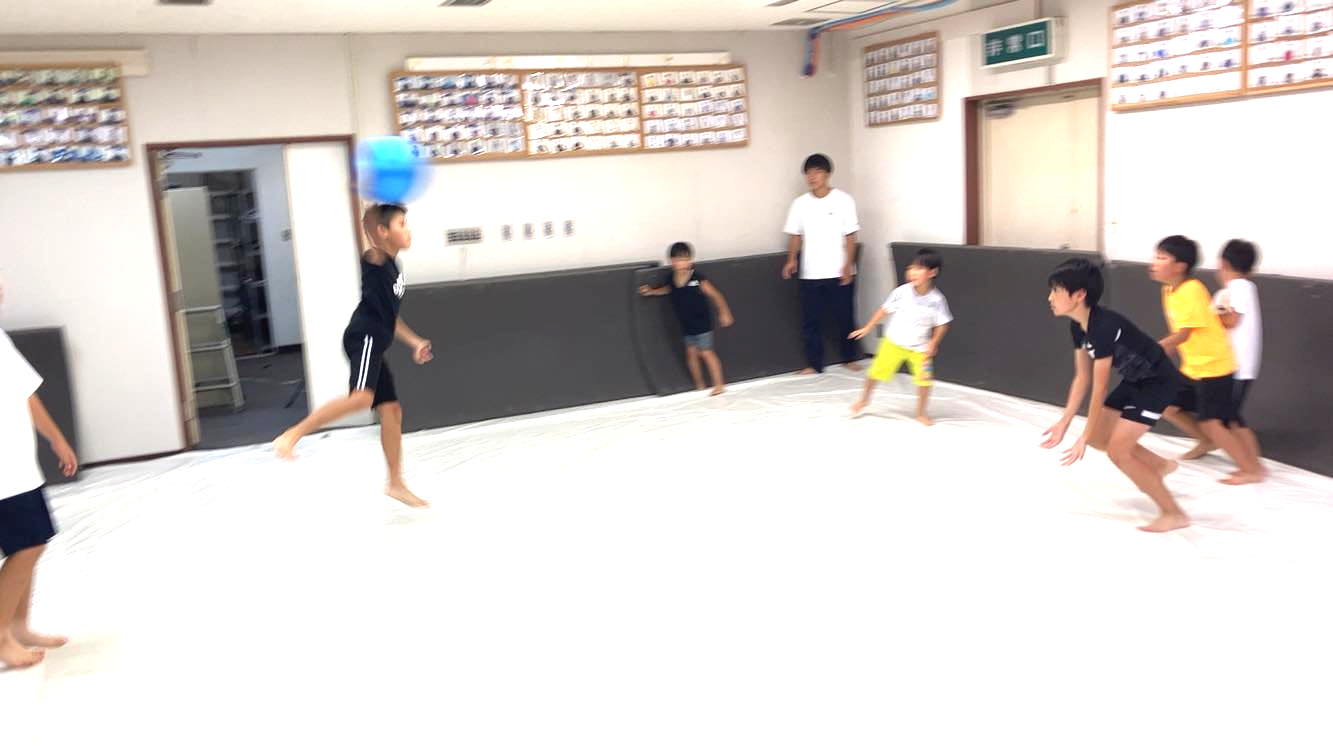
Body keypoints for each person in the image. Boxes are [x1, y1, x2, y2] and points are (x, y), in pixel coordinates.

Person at [273, 204, 435, 507]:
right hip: (364, 338)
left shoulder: (394, 268)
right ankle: (293, 434)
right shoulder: (375, 258)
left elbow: (391, 317)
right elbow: (369, 234)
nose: (408, 230)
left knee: (392, 411)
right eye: (401, 224)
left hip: (378, 341)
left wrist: (414, 342)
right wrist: (367, 210)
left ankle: (396, 484)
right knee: (361, 398)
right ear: (382, 232)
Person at [1041, 258, 1190, 533]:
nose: (1050, 298)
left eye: (1056, 291)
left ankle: (1174, 513)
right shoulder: (1077, 326)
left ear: (1079, 295)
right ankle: (1158, 466)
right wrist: (1064, 422)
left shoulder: (1104, 326)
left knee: (1118, 452)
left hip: (1158, 382)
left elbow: (1099, 389)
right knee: (1100, 437)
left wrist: (1082, 437)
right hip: (1136, 380)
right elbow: (1082, 378)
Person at [0, 278, 78, 668]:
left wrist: (56, 439)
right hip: (3, 473)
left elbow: (24, 393)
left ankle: (18, 626)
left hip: (18, 466)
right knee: (27, 546)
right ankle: (1, 636)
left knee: (31, 544)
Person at [1150, 235, 1263, 485]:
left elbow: (1189, 331)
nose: (1154, 263)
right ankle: (1209, 442)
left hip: (1216, 365)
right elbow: (1186, 331)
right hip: (1195, 366)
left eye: (1161, 257)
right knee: (1169, 404)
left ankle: (1251, 468)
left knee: (1220, 421)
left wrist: (1156, 349)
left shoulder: (1209, 290)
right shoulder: (1169, 290)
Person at [1178, 239, 1263, 466]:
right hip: (1228, 365)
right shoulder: (1239, 289)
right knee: (1224, 417)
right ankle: (1244, 461)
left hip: (1235, 366)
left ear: (1222, 263)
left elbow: (1231, 321)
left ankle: (1252, 466)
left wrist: (1214, 313)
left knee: (1230, 419)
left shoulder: (1238, 288)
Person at [848, 249, 952, 425]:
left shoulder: (937, 300)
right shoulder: (901, 292)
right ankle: (864, 400)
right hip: (893, 343)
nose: (912, 273)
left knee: (925, 381)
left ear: (932, 272)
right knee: (874, 373)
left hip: (920, 349)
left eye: (919, 268)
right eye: (911, 268)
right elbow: (883, 310)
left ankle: (921, 413)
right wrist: (867, 327)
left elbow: (943, 323)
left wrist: (934, 342)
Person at [782, 153, 862, 375]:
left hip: (839, 269)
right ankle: (813, 364)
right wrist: (791, 259)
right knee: (810, 321)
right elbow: (795, 235)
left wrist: (848, 265)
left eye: (817, 172)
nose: (812, 177)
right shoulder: (799, 204)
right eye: (808, 173)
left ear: (827, 174)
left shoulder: (844, 200)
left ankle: (849, 357)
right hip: (811, 272)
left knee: (845, 316)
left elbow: (851, 235)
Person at [639, 242, 735, 395]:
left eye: (685, 259)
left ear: (691, 260)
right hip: (686, 324)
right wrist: (651, 291)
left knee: (706, 353)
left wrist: (724, 312)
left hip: (702, 323)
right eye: (678, 260)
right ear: (671, 261)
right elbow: (668, 289)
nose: (682, 263)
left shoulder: (697, 279)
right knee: (691, 354)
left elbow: (716, 295)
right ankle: (699, 384)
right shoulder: (671, 279)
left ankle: (719, 385)